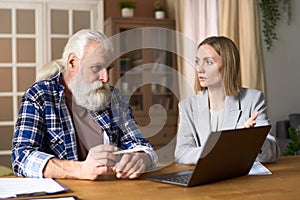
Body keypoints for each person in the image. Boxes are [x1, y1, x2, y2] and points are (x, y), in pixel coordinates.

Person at [11, 29, 157, 180]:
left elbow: (140, 144)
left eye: (108, 68)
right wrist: (81, 170)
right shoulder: (39, 95)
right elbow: (21, 158)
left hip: (112, 190)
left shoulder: (115, 98)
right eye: (96, 68)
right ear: (72, 63)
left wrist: (142, 158)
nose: (106, 78)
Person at [175, 36, 280, 164]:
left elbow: (272, 153)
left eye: (208, 62)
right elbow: (182, 153)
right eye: (197, 61)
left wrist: (253, 139)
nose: (199, 69)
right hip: (205, 179)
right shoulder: (187, 106)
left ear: (228, 65)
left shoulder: (253, 99)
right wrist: (222, 151)